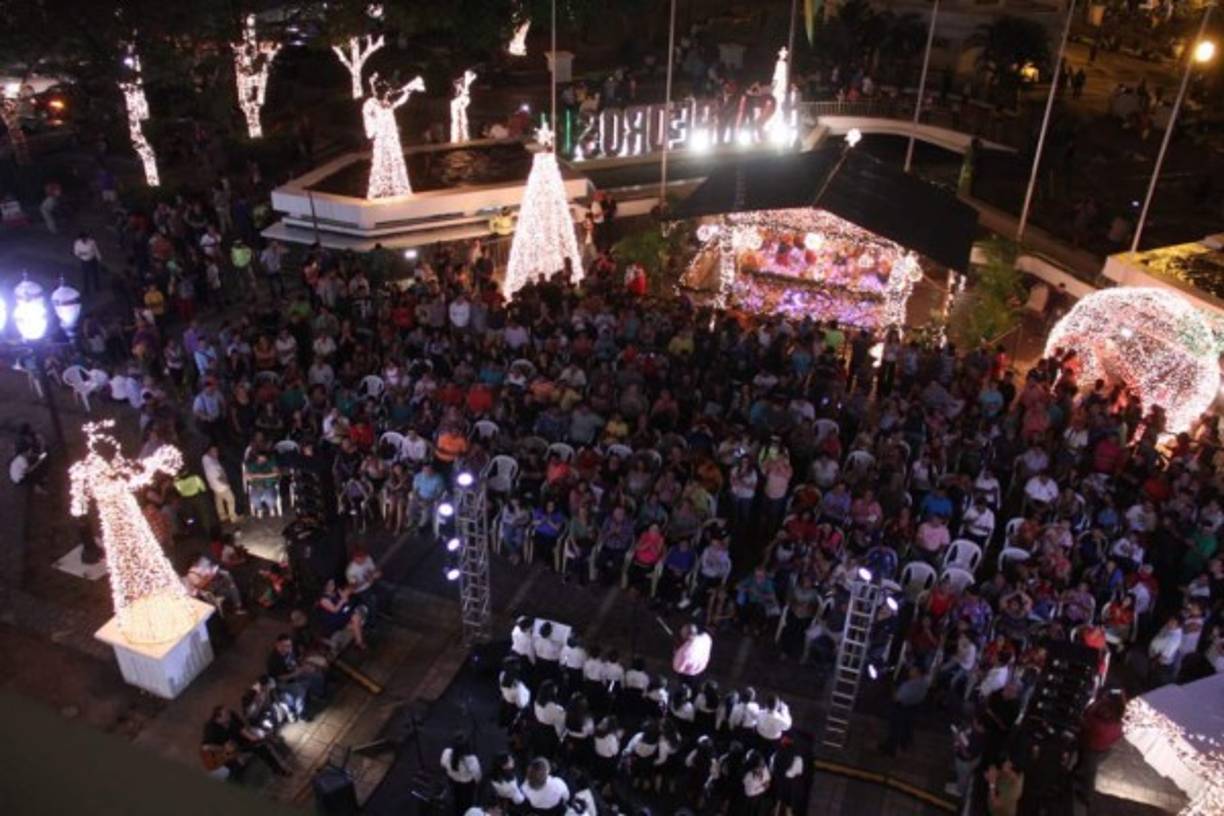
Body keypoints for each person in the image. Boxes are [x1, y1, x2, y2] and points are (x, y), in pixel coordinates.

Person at [201, 705, 290, 777]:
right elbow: (205, 747)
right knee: (236, 768)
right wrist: (224, 749)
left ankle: (278, 770)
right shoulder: (211, 728)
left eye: (228, 712)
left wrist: (257, 739)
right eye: (226, 714)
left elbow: (243, 731)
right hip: (224, 755)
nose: (229, 715)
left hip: (239, 745)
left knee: (261, 747)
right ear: (218, 719)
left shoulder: (232, 716)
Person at [880, 663, 929, 756]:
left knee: (895, 729)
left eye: (912, 670)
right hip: (914, 708)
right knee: (906, 728)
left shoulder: (909, 685)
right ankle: (903, 746)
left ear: (917, 673)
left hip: (901, 708)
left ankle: (891, 748)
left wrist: (894, 692)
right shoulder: (924, 683)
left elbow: (897, 698)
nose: (910, 671)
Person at [441, 733, 482, 814]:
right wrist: (478, 783)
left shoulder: (446, 752)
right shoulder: (472, 760)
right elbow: (477, 775)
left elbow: (443, 764)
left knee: (456, 797)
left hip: (453, 780)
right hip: (467, 784)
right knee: (468, 801)